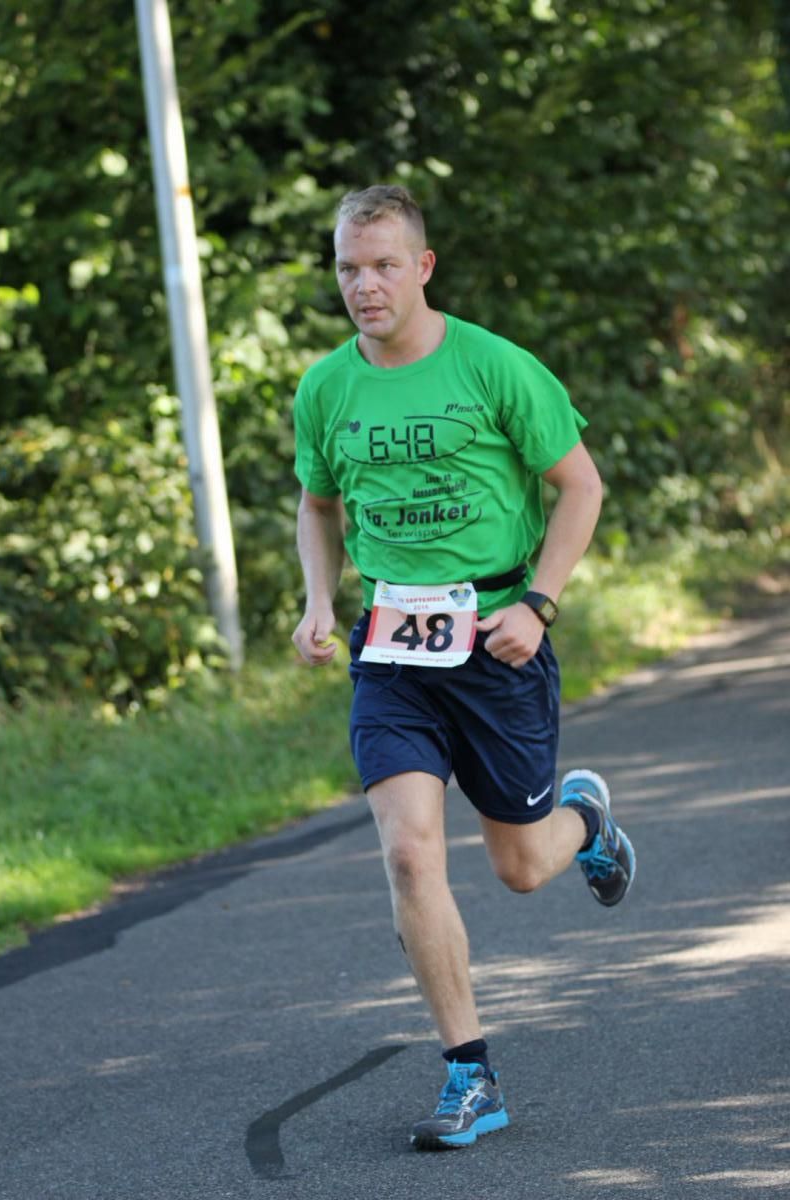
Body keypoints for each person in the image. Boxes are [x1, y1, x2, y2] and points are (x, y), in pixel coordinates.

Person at [291, 184, 636, 1151]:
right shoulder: (325, 387)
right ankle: (468, 1074)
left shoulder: (494, 367)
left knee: (522, 867)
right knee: (407, 850)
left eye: (384, 265)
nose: (365, 285)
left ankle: (588, 821)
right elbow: (318, 505)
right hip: (391, 652)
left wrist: (538, 603)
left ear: (423, 268)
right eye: (350, 268)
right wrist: (320, 601)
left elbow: (580, 486)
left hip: (497, 641)